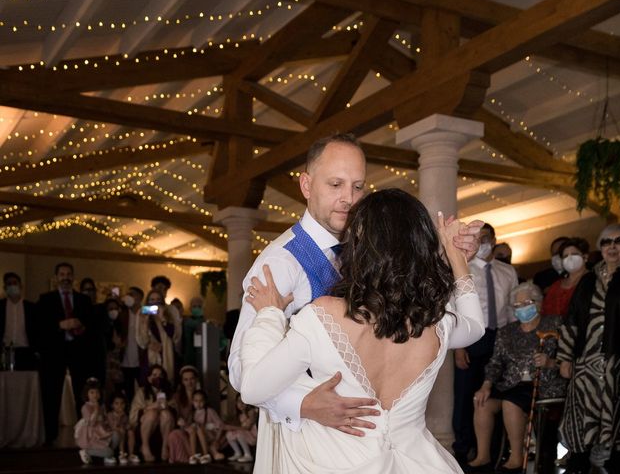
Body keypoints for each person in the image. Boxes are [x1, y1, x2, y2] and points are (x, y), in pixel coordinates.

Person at [228, 134, 482, 469]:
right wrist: (303, 403)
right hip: (313, 445)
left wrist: (455, 259)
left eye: (358, 186)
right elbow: (240, 370)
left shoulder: (374, 246)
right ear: (306, 185)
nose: (348, 198)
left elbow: (413, 305)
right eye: (335, 184)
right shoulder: (279, 264)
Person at [558, 224, 620, 474]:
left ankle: (618, 465)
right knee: (581, 417)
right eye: (606, 242)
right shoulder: (587, 280)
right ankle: (577, 464)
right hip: (586, 364)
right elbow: (571, 320)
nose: (612, 246)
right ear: (600, 248)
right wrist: (564, 358)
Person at [465, 282, 566, 473]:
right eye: (517, 306)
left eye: (526, 303)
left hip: (543, 383)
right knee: (481, 401)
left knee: (510, 402)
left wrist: (550, 362)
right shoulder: (507, 332)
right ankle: (483, 456)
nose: (522, 308)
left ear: (538, 303)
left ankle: (515, 459)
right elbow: (495, 363)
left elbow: (567, 357)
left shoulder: (554, 324)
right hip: (510, 384)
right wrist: (486, 385)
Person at [453, 223, 518, 463]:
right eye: (476, 239)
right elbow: (454, 305)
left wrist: (513, 342)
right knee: (465, 395)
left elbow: (512, 307)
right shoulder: (463, 267)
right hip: (471, 337)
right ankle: (463, 448)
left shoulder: (507, 271)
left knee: (498, 393)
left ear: (494, 239)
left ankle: (493, 449)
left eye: (486, 238)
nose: (482, 243)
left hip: (501, 338)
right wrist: (458, 346)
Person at [37, 262, 95, 443]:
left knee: (82, 394)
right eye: (62, 274)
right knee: (51, 395)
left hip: (79, 353)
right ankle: (50, 437)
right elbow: (39, 327)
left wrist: (81, 326)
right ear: (56, 277)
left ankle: (83, 435)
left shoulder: (84, 300)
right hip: (54, 354)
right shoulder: (45, 299)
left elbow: (91, 326)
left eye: (69, 274)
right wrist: (59, 325)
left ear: (73, 277)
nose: (65, 278)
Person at [129, 364, 174, 462]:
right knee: (152, 413)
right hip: (148, 422)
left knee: (166, 414)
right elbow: (133, 414)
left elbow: (176, 411)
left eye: (160, 375)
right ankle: (145, 447)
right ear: (149, 378)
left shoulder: (169, 392)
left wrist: (167, 406)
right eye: (154, 375)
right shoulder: (141, 392)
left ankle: (164, 447)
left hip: (164, 422)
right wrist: (150, 407)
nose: (158, 377)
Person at [541, 237, 589, 317]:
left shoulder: (594, 281)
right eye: (565, 256)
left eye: (574, 254)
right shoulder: (556, 287)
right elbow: (546, 313)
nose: (570, 258)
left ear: (585, 257)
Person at [74, 378, 118, 465]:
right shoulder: (85, 407)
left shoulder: (102, 406)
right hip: (92, 435)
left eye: (97, 392)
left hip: (102, 432)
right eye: (92, 392)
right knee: (110, 452)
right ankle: (87, 451)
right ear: (87, 394)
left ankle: (106, 456)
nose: (95, 395)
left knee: (116, 435)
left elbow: (105, 420)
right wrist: (96, 409)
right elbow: (92, 423)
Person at [1, 272, 39, 370]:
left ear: (21, 286)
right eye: (9, 284)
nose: (12, 286)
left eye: (15, 283)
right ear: (5, 288)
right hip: (4, 352)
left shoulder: (32, 307)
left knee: (25, 382)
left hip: (26, 352)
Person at [136, 289, 176, 382]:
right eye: (152, 300)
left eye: (158, 299)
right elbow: (142, 340)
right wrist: (145, 322)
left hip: (166, 352)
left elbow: (172, 334)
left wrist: (162, 318)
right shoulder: (143, 314)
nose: (155, 302)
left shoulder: (168, 314)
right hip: (150, 354)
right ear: (148, 301)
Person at [166, 365, 200, 463]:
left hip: (197, 428)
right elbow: (173, 413)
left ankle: (193, 457)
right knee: (174, 434)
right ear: (182, 381)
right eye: (186, 380)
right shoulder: (177, 396)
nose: (189, 382)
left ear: (196, 379)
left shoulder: (200, 395)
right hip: (182, 427)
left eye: (192, 379)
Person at [189, 389, 227, 464]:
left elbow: (221, 425)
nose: (198, 403)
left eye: (201, 400)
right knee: (193, 429)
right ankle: (193, 455)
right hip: (199, 438)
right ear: (192, 401)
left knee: (199, 429)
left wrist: (217, 439)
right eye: (196, 401)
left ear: (205, 401)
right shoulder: (193, 413)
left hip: (210, 436)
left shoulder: (209, 411)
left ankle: (206, 455)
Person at [120, 286, 144, 403]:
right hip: (125, 359)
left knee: (143, 389)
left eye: (132, 294)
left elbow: (160, 311)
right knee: (128, 391)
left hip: (142, 358)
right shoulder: (122, 313)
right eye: (128, 294)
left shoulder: (146, 310)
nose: (129, 296)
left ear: (140, 297)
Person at [106, 392, 139, 465]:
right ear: (112, 405)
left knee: (130, 432)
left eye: (122, 403)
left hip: (123, 434)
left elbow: (126, 424)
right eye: (116, 403)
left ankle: (131, 454)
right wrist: (119, 417)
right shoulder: (110, 415)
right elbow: (113, 426)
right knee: (121, 430)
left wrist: (129, 426)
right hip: (113, 434)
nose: (120, 406)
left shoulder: (125, 415)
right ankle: (122, 453)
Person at [226, 397, 258, 463]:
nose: (240, 404)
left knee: (239, 433)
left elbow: (248, 428)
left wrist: (231, 427)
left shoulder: (251, 412)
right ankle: (237, 453)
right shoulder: (240, 414)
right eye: (238, 402)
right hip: (246, 435)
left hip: (254, 437)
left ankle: (248, 454)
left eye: (243, 401)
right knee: (229, 434)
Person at [182, 297, 205, 368]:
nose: (197, 308)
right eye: (194, 306)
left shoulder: (207, 323)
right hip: (188, 356)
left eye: (199, 306)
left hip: (203, 356)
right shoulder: (186, 321)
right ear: (190, 308)